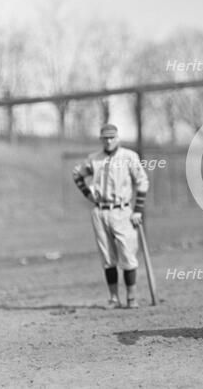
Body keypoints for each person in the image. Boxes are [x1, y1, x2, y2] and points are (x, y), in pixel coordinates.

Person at [72, 123, 149, 309]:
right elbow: (77, 174)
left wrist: (138, 209)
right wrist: (88, 194)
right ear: (101, 139)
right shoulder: (94, 159)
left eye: (112, 137)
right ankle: (114, 298)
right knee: (107, 258)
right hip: (100, 211)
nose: (109, 141)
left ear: (118, 138)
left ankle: (131, 297)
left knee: (128, 254)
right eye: (105, 138)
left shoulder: (129, 157)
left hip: (123, 211)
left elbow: (142, 182)